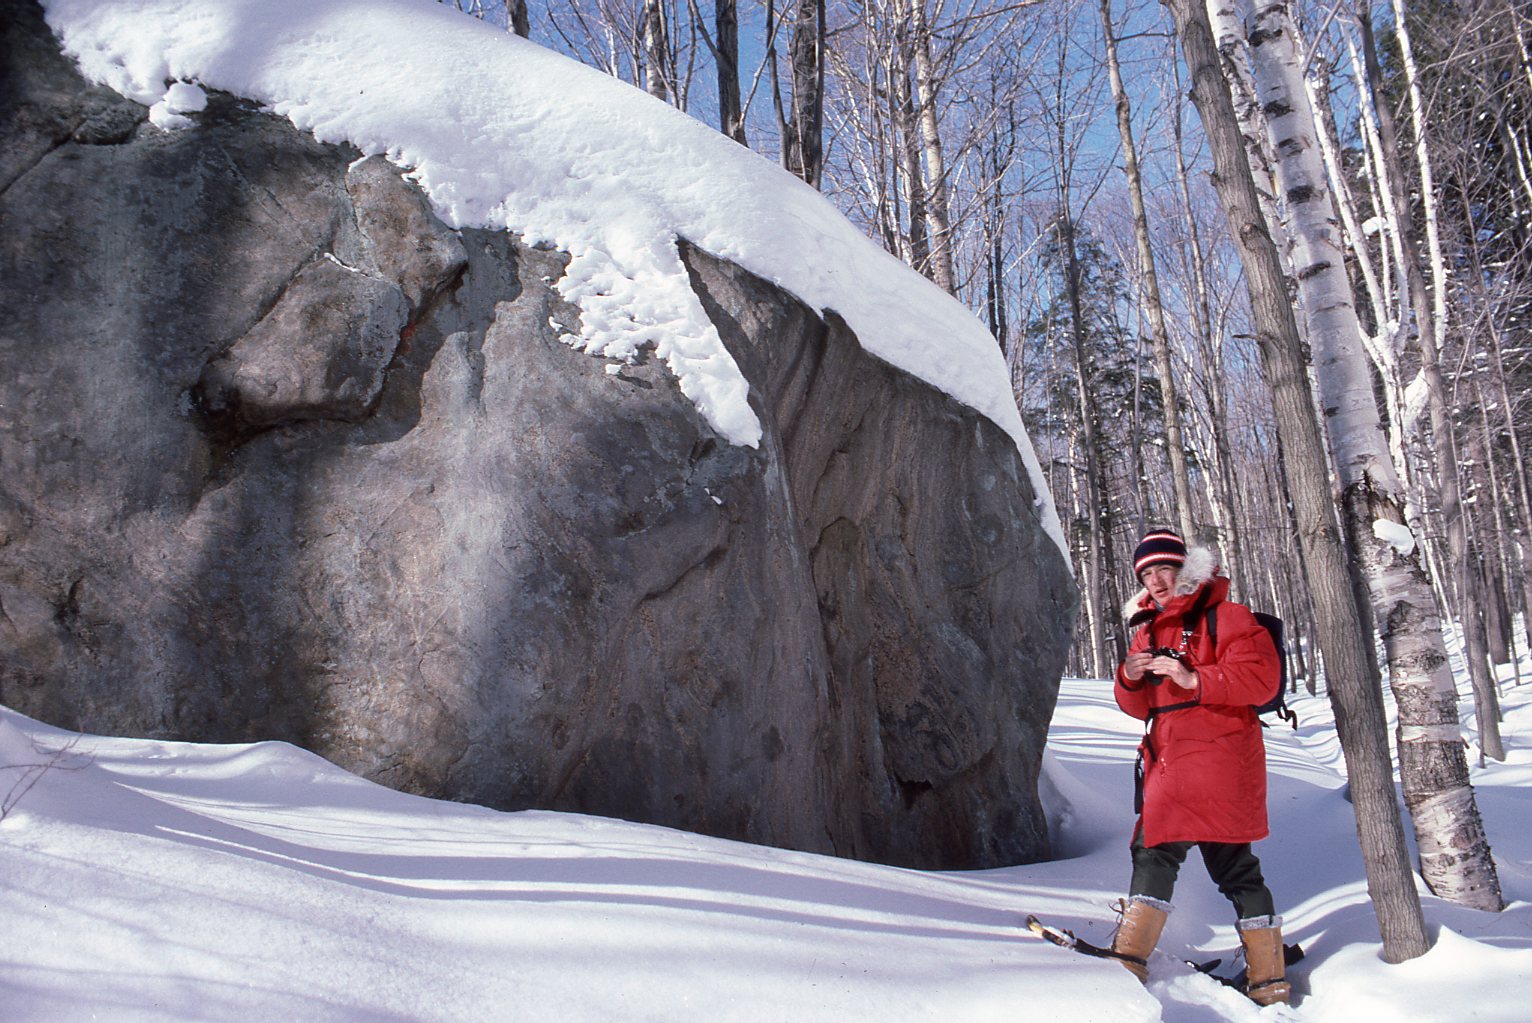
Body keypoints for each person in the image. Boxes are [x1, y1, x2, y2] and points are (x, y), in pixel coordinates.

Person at [1108, 529, 1291, 1006]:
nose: (1156, 581)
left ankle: (1127, 962)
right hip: (1175, 756)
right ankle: (1269, 981)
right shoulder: (1147, 630)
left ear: (1184, 569)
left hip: (1218, 755)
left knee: (1156, 851)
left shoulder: (1227, 616)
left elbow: (1260, 677)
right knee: (1235, 867)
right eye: (1147, 574)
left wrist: (1193, 676)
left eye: (1163, 569)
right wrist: (1130, 676)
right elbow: (1138, 706)